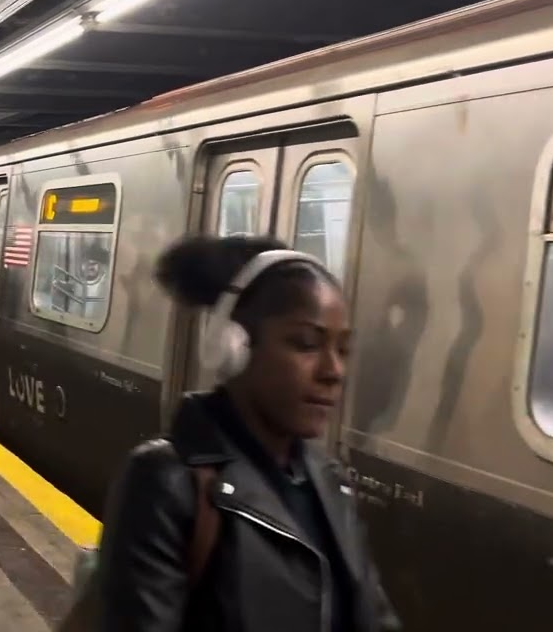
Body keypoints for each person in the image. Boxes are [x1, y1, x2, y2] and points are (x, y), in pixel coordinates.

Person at [89, 235, 398, 632]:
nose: (333, 371)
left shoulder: (328, 481)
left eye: (343, 350)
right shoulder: (167, 483)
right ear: (233, 346)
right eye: (306, 344)